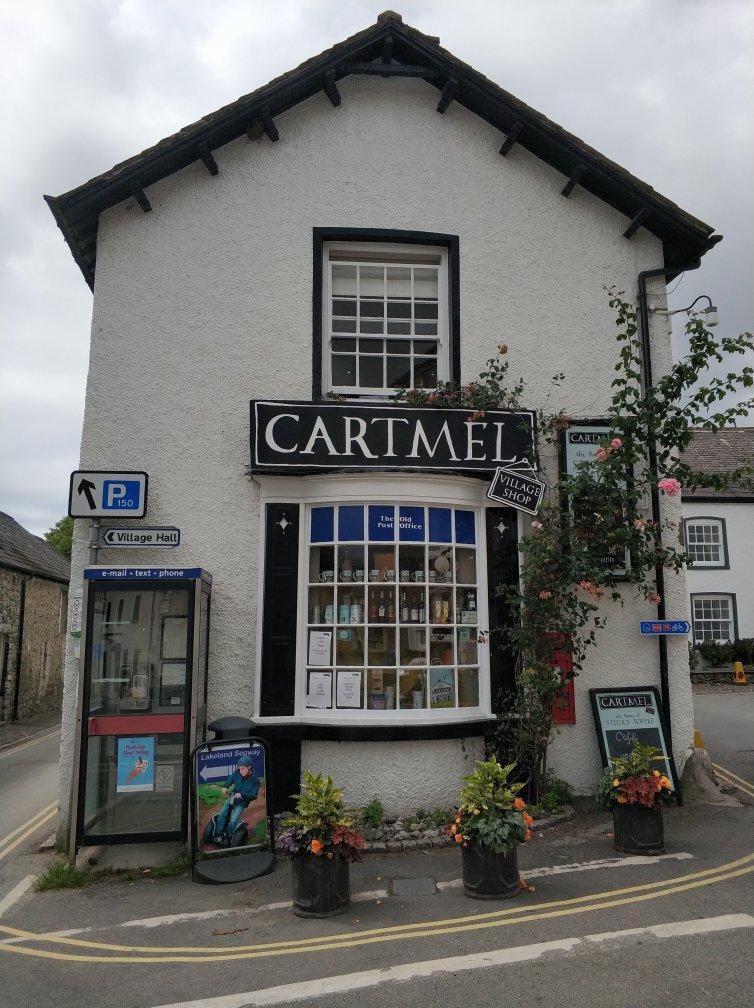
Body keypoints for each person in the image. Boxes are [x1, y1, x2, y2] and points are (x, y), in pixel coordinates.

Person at [215, 754, 260, 841]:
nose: (240, 771)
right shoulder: (237, 773)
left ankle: (228, 836)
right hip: (233, 797)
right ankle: (219, 833)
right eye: (239, 769)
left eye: (243, 769)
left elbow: (254, 795)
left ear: (249, 767)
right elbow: (230, 779)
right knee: (223, 813)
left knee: (234, 820)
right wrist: (225, 787)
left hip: (242, 802)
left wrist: (242, 795)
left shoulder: (255, 780)